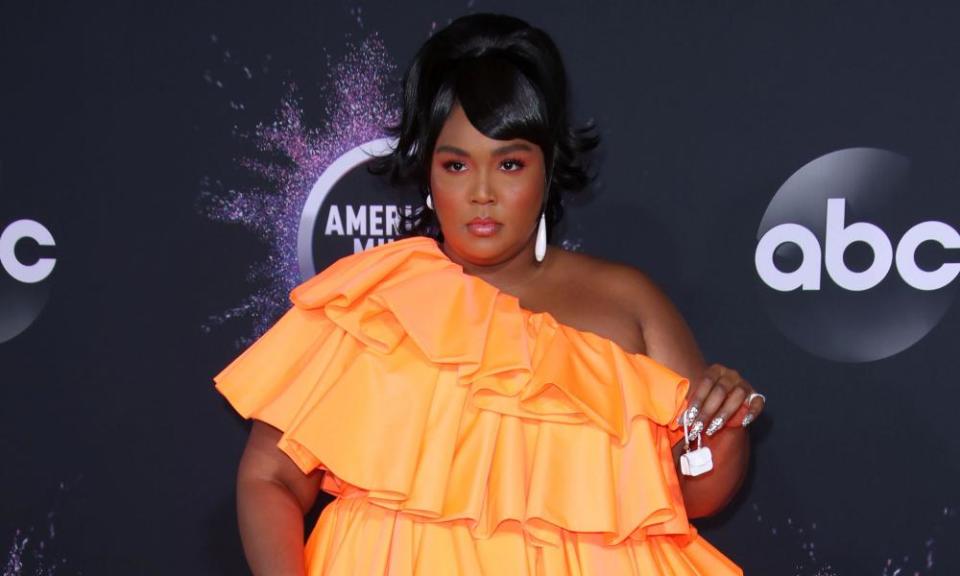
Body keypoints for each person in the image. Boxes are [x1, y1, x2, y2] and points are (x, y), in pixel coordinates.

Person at [214, 12, 766, 575]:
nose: (481, 193)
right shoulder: (371, 300)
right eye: (456, 164)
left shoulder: (629, 303)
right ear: (428, 172)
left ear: (547, 169)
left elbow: (695, 497)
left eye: (509, 164)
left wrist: (723, 430)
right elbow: (271, 477)